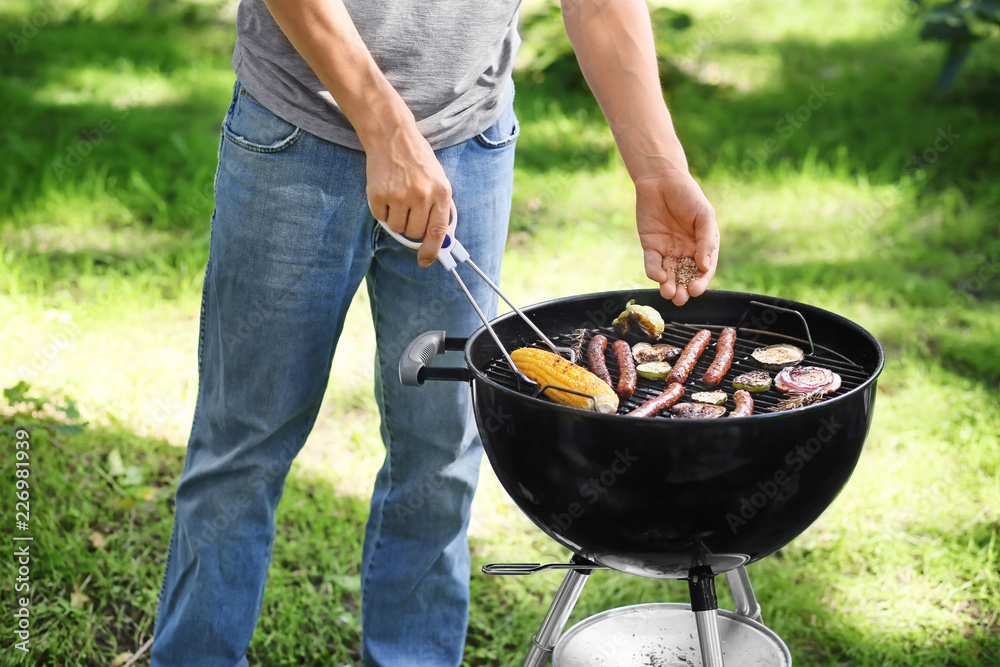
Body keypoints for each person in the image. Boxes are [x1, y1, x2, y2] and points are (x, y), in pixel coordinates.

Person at [151, 0, 720, 665]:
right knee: (244, 441)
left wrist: (658, 168)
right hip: (296, 136)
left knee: (442, 448)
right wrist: (385, 126)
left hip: (468, 146)